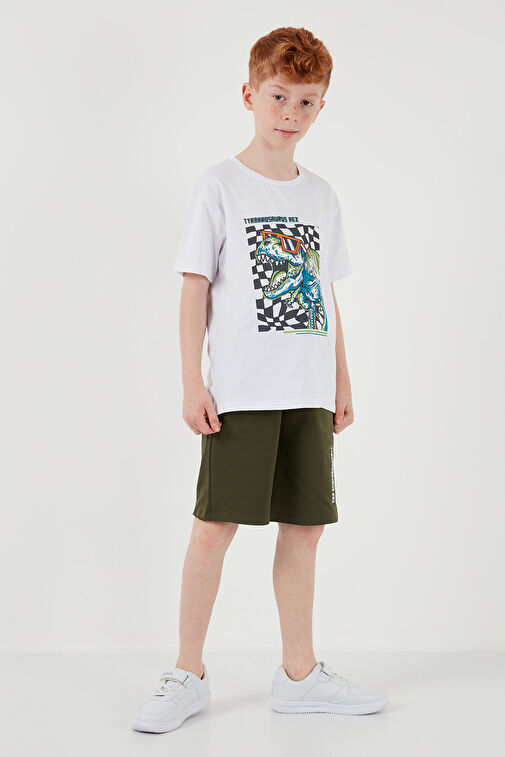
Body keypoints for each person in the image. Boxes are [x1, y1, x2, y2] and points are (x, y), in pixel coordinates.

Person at [132, 26, 388, 734]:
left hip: (307, 391)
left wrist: (341, 381)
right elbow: (194, 286)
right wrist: (193, 381)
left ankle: (299, 675)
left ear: (320, 107)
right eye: (278, 97)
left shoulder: (322, 195)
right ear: (249, 94)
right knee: (214, 526)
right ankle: (187, 672)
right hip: (242, 391)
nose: (290, 113)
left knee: (305, 531)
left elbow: (324, 293)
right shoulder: (218, 185)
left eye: (306, 102)